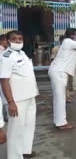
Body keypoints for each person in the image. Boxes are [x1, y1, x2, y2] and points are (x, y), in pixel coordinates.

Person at [0, 30, 39, 158]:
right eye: (14, 39)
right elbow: (4, 81)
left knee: (29, 125)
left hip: (29, 96)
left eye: (20, 39)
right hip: (17, 100)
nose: (18, 41)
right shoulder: (6, 57)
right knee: (15, 130)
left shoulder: (22, 53)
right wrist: (11, 102)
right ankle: (14, 156)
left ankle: (25, 151)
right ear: (8, 41)